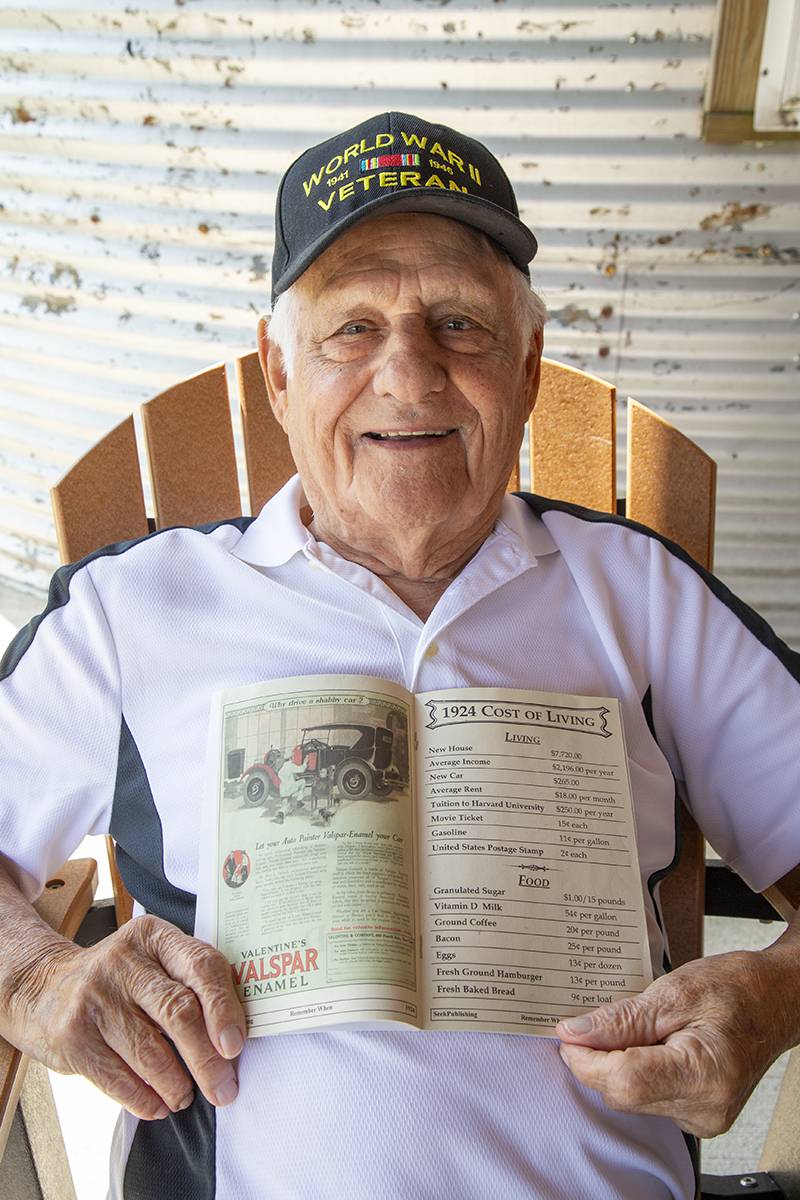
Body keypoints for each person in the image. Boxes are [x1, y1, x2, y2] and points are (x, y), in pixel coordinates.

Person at [0, 111, 798, 1200]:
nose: (408, 374)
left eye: (459, 325)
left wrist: (772, 999)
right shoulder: (133, 610)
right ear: (276, 372)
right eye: (351, 329)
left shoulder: (641, 597)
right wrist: (38, 978)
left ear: (526, 367)